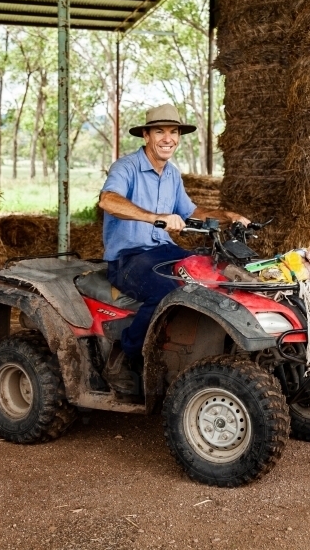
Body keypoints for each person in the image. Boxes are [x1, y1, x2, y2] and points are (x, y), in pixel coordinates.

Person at [98, 104, 249, 395]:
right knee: (167, 291)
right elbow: (108, 201)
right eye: (160, 131)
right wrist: (155, 217)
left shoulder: (171, 175)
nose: (168, 138)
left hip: (164, 250)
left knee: (211, 274)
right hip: (128, 259)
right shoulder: (126, 167)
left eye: (174, 132)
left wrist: (228, 215)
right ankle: (126, 355)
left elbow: (193, 212)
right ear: (146, 135)